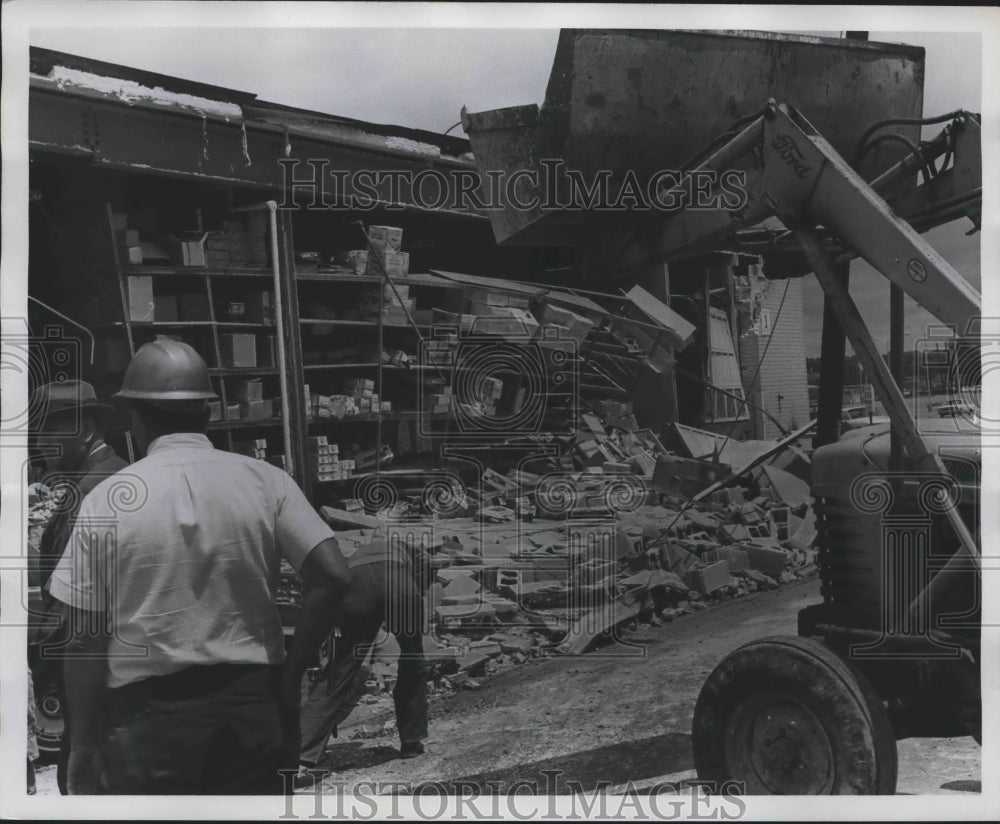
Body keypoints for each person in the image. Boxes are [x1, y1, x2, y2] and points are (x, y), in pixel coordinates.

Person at [47, 339, 350, 795]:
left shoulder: (106, 500)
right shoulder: (265, 480)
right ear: (207, 413)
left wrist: (85, 747)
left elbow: (85, 641)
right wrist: (291, 676)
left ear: (136, 418)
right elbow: (332, 574)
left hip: (149, 726)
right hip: (251, 713)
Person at [29, 379, 127, 795]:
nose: (41, 449)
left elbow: (67, 595)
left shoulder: (88, 495)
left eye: (48, 436)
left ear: (84, 428)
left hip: (90, 660)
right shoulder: (118, 472)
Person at [298, 535, 433, 772]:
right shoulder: (412, 550)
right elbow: (422, 575)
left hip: (356, 586)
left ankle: (302, 750)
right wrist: (408, 605)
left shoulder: (354, 557)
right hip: (398, 581)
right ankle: (411, 742)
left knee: (340, 669)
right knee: (413, 658)